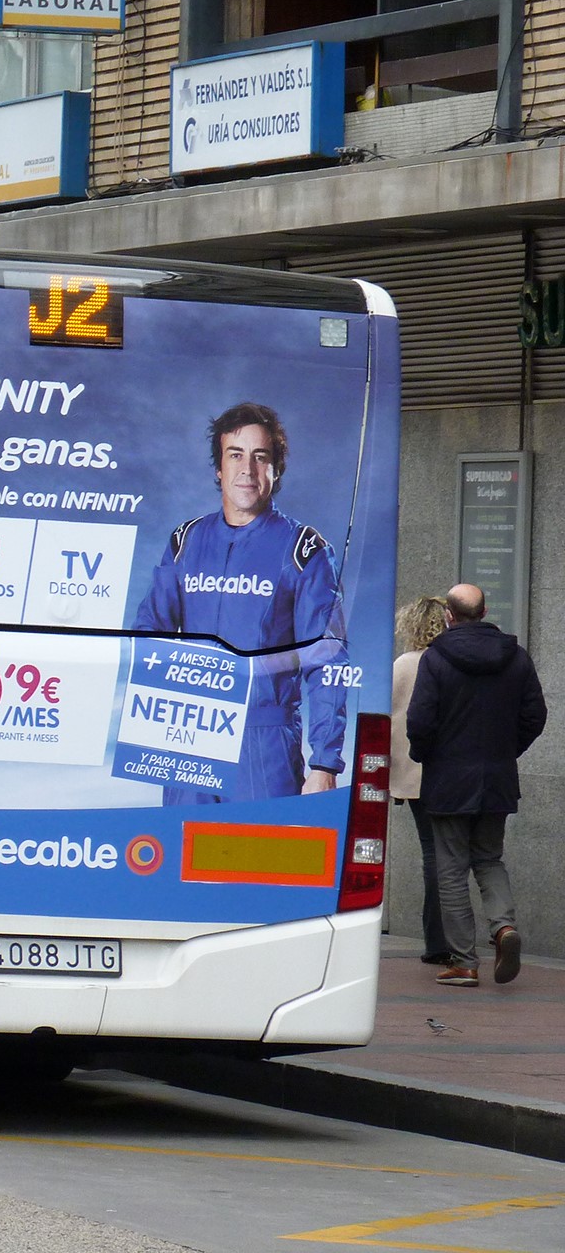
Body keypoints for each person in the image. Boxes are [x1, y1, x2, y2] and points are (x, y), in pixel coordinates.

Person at [134, 401, 348, 804]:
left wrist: (324, 764)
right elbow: (148, 634)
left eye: (260, 456)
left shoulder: (303, 550)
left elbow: (327, 660)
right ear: (219, 468)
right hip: (191, 734)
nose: (247, 469)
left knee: (260, 864)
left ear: (276, 469)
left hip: (263, 742)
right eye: (235, 455)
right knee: (182, 861)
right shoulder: (186, 542)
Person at [405, 584, 546, 988]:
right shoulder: (516, 657)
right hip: (497, 778)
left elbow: (420, 721)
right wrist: (506, 751)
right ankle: (503, 928)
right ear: (484, 611)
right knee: (488, 859)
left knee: (450, 869)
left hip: (448, 779)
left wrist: (425, 754)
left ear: (449, 615)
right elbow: (535, 715)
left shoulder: (435, 659)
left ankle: (465, 962)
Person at [389, 596, 453, 967]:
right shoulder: (450, 663)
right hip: (452, 772)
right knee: (455, 854)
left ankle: (437, 940)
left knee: (433, 853)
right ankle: (450, 936)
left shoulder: (403, 665)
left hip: (413, 774)